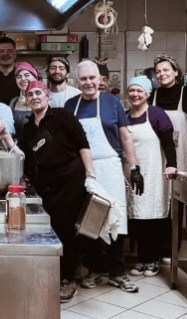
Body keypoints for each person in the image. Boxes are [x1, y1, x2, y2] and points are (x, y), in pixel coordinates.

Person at [0, 80, 95, 303]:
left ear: (47, 96)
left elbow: (83, 144)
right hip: (46, 183)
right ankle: (55, 274)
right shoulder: (29, 125)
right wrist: (5, 138)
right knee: (50, 229)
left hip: (70, 178)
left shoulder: (63, 117)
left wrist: (90, 174)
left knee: (66, 229)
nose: (34, 97)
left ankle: (67, 280)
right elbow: (23, 154)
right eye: (30, 94)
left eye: (38, 92)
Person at [64, 60, 143, 293]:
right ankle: (94, 269)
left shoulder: (112, 103)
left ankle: (117, 272)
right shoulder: (70, 106)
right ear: (76, 82)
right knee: (90, 221)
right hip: (83, 170)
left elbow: (125, 138)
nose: (88, 82)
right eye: (83, 79)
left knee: (116, 219)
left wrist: (134, 168)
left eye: (92, 78)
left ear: (100, 79)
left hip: (110, 166)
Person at [126, 76, 177, 277]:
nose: (135, 94)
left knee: (153, 217)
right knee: (135, 217)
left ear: (147, 94)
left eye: (140, 91)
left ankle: (152, 260)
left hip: (154, 172)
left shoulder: (157, 114)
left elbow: (168, 143)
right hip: (132, 173)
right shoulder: (124, 115)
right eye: (132, 90)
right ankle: (140, 259)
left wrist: (172, 165)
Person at [150, 54, 187, 260]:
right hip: (157, 154)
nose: (162, 74)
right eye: (158, 71)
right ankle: (155, 247)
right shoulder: (153, 96)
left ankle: (171, 249)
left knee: (176, 200)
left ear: (175, 71)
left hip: (181, 154)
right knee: (158, 198)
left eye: (166, 70)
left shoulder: (185, 93)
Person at [9, 61, 39, 138]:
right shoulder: (13, 102)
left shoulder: (46, 100)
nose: (23, 79)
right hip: (16, 147)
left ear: (35, 77)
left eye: (27, 75)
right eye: (18, 77)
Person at [0, 36, 19, 105]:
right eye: (1, 51)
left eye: (9, 51)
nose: (5, 54)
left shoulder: (22, 77)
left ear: (15, 54)